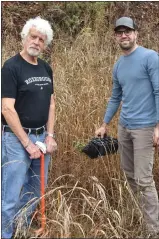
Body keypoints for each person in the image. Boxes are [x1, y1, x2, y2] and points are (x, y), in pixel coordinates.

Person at [95, 17, 159, 234]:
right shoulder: (118, 65)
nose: (124, 35)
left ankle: (153, 230)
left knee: (143, 179)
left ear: (135, 34)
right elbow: (115, 97)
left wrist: (158, 127)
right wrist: (105, 124)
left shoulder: (150, 57)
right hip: (125, 127)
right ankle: (142, 218)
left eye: (128, 31)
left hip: (145, 128)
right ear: (115, 36)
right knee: (130, 175)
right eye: (119, 32)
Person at [2, 16, 57, 239]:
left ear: (45, 44)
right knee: (11, 193)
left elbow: (51, 103)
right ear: (25, 38)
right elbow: (6, 109)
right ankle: (4, 233)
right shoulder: (11, 67)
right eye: (33, 37)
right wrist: (26, 143)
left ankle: (20, 228)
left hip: (41, 136)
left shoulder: (45, 68)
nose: (36, 42)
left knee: (35, 190)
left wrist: (50, 135)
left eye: (41, 39)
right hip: (16, 139)